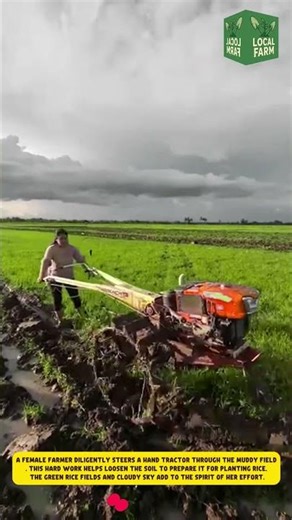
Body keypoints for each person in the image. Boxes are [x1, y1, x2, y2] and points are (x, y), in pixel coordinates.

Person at [37, 228, 85, 324]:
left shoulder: (72, 249)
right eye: (61, 238)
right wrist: (41, 276)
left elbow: (80, 260)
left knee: (75, 297)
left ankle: (84, 318)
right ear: (56, 239)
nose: (64, 241)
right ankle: (61, 321)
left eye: (65, 238)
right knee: (57, 299)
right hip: (55, 278)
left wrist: (86, 266)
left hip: (69, 278)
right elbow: (45, 261)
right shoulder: (52, 249)